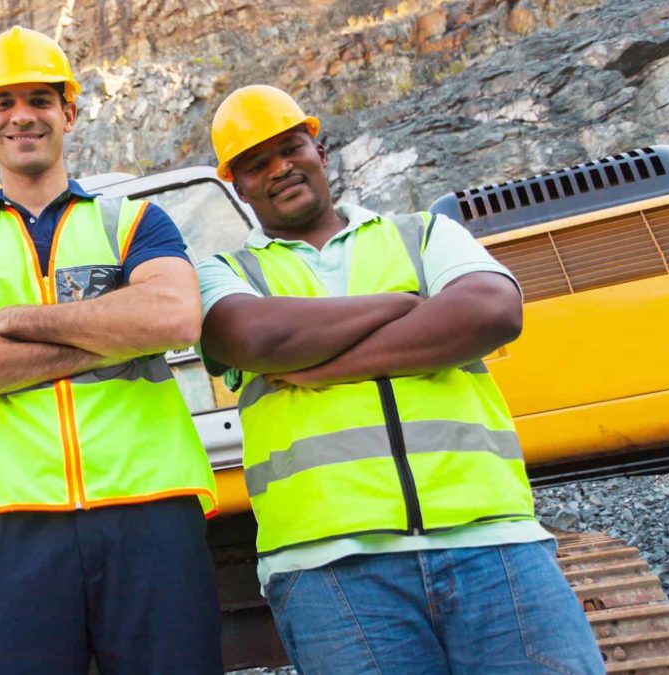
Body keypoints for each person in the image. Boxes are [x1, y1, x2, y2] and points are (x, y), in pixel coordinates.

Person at [196, 84, 604, 673]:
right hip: (329, 566)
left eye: (291, 148)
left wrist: (323, 365)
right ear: (238, 185)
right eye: (257, 163)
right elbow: (258, 339)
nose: (280, 169)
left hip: (490, 540)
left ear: (320, 148)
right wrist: (407, 304)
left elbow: (493, 310)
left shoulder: (424, 232)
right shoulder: (226, 273)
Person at [0, 26, 222, 675]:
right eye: (4, 101)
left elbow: (176, 314)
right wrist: (105, 335)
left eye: (41, 99)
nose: (23, 115)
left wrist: (14, 321)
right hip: (5, 525)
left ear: (69, 111)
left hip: (150, 508)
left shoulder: (133, 221)